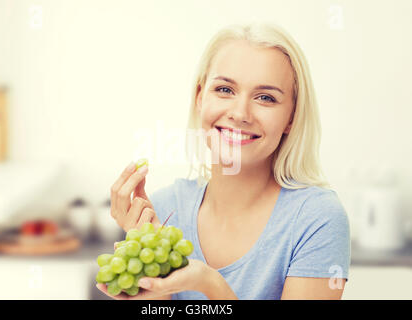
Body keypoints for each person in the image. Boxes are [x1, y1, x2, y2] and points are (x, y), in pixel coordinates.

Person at [97, 22, 350, 300]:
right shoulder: (165, 208)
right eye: (225, 90)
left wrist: (210, 284)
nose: (240, 113)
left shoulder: (317, 219)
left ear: (291, 117)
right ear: (199, 98)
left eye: (265, 98)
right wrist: (153, 277)